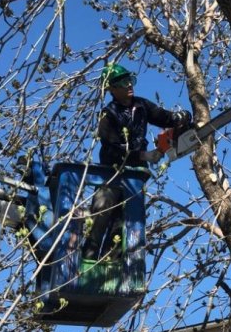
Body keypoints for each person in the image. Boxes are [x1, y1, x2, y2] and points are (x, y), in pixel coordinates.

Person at [82, 63, 191, 260]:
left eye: (129, 80)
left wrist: (180, 118)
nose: (129, 85)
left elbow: (164, 117)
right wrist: (143, 155)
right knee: (102, 211)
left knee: (124, 220)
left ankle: (112, 262)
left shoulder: (141, 106)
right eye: (123, 83)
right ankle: (88, 258)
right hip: (112, 172)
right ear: (112, 89)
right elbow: (112, 148)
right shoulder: (108, 115)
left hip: (136, 174)